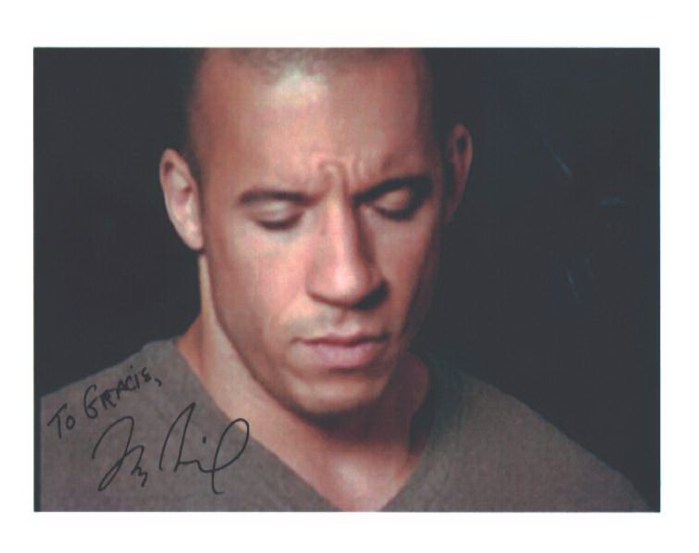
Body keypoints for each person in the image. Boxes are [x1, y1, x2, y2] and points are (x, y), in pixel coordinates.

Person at [40, 48, 647, 511]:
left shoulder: (581, 504)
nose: (349, 279)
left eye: (394, 204)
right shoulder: (43, 483)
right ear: (186, 202)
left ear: (455, 177)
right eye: (279, 217)